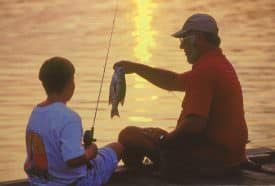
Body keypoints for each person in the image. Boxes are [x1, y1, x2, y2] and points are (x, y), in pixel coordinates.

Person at [115, 13, 248, 175]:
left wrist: (165, 141)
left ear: (197, 39)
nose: (181, 47)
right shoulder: (218, 63)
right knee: (153, 134)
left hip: (210, 161)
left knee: (129, 135)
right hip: (231, 156)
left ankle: (154, 174)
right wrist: (136, 68)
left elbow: (195, 124)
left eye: (183, 39)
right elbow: (173, 81)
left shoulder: (205, 71)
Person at [24, 57, 124, 185]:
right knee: (117, 147)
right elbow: (72, 160)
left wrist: (81, 149)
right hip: (75, 182)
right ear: (69, 84)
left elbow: (51, 148)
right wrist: (90, 152)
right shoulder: (69, 118)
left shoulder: (36, 112)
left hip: (39, 182)